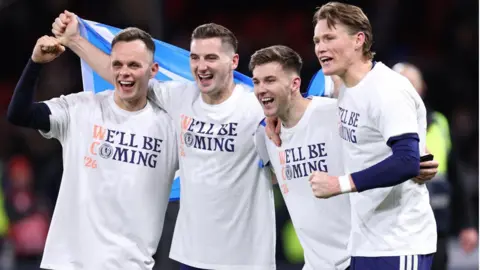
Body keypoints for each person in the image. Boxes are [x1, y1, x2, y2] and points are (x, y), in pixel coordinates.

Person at [52, 11, 275, 270]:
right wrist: (75, 41)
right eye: (196, 58)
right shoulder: (179, 97)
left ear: (234, 61)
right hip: (192, 256)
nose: (202, 66)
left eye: (211, 58)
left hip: (246, 259)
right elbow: (124, 77)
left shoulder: (258, 106)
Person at [252, 45, 439, 270]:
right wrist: (268, 118)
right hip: (315, 264)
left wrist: (421, 158)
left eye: (270, 80)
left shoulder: (335, 114)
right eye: (256, 82)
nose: (261, 89)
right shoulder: (265, 136)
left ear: (295, 84)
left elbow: (400, 141)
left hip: (359, 257)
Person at [7, 30, 179, 269]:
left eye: (134, 65)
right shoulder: (82, 108)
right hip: (66, 263)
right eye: (117, 64)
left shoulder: (170, 128)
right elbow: (19, 114)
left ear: (153, 70)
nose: (124, 72)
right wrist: (35, 63)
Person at [305, 2, 438, 269]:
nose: (320, 47)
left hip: (399, 241)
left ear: (359, 40)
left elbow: (406, 161)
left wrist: (338, 184)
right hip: (362, 241)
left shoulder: (387, 90)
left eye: (330, 38)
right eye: (317, 40)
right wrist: (273, 119)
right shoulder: (341, 83)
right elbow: (302, 97)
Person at [393, 62, 478, 270]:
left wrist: (467, 224)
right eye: (403, 84)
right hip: (400, 229)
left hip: (437, 225)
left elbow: (455, 178)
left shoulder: (440, 123)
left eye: (414, 84)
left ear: (423, 88)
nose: (410, 90)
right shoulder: (386, 126)